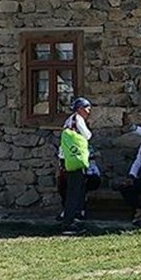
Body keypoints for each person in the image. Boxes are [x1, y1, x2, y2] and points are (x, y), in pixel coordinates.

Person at [59, 97, 93, 233]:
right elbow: (87, 135)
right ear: (80, 109)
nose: (89, 111)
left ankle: (72, 218)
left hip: (67, 159)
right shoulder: (78, 119)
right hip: (75, 160)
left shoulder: (68, 121)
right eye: (87, 108)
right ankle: (68, 224)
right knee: (74, 192)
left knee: (74, 190)